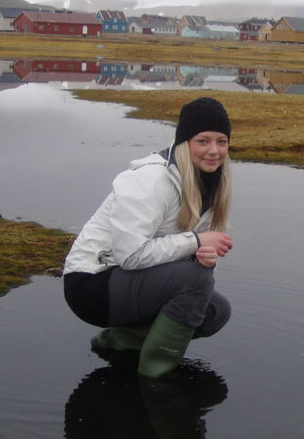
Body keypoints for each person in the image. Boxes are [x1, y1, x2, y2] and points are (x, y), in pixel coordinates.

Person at [63, 96, 234, 378]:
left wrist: (201, 256)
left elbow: (181, 257)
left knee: (216, 310)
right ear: (184, 142)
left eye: (222, 141)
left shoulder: (210, 184)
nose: (214, 150)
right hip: (92, 284)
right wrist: (195, 242)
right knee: (195, 280)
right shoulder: (151, 180)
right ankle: (154, 376)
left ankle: (120, 342)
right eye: (203, 140)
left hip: (127, 281)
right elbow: (130, 256)